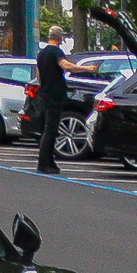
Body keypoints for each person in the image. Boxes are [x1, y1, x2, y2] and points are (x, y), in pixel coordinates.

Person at [34, 20, 82, 175]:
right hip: (55, 94)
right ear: (58, 37)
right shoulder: (56, 52)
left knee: (49, 130)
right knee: (50, 130)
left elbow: (38, 75)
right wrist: (87, 68)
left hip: (46, 94)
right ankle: (43, 163)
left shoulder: (41, 53)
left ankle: (49, 161)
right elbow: (66, 66)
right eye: (62, 37)